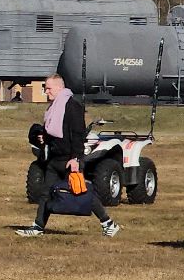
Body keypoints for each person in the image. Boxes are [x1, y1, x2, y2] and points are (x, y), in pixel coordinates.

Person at [17, 74, 119, 237]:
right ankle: (38, 227)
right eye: (45, 88)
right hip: (54, 159)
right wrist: (44, 138)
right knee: (46, 193)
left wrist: (76, 158)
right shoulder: (53, 108)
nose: (46, 91)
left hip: (70, 159)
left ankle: (108, 224)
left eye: (49, 88)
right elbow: (55, 131)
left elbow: (78, 135)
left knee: (81, 191)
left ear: (59, 87)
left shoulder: (73, 106)